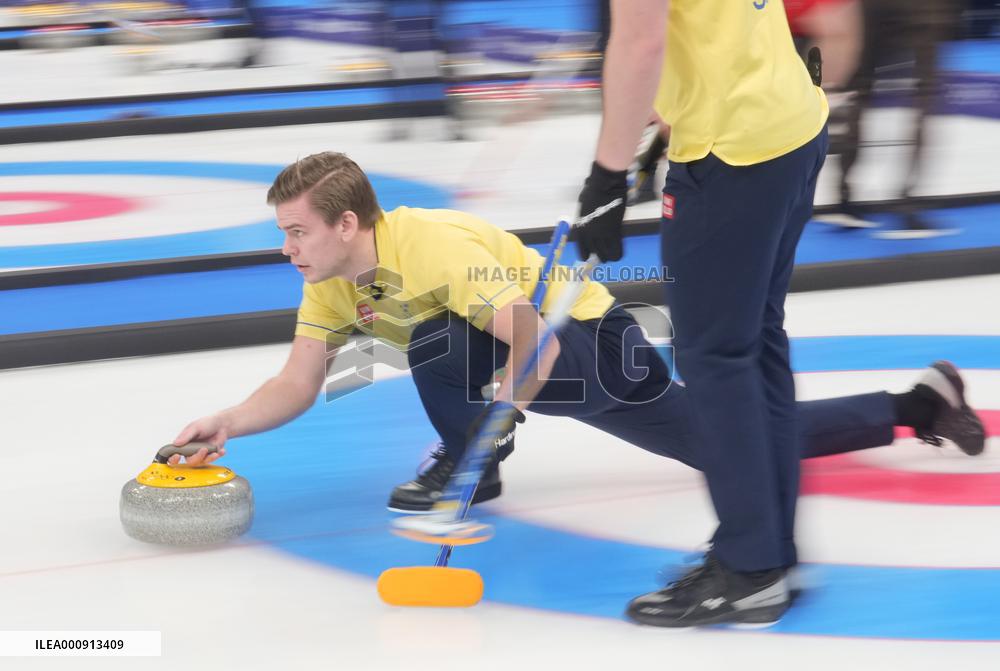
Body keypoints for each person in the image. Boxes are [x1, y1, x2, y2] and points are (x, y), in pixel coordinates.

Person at [170, 152, 985, 626]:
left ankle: (916, 407)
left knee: (717, 442)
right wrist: (230, 422)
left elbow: (534, 345)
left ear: (347, 224)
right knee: (440, 343)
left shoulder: (436, 247)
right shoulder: (328, 282)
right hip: (526, 360)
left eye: (297, 232)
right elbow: (297, 379)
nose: (288, 249)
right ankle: (917, 405)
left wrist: (499, 416)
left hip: (593, 345)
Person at [574, 0, 831, 627]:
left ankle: (749, 569)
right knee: (754, 339)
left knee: (715, 354)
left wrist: (607, 177)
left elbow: (639, 40)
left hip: (733, 153)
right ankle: (769, 553)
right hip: (790, 125)